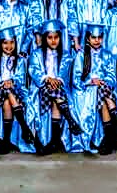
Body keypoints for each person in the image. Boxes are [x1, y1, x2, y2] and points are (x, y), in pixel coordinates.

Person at [70, 23, 117, 155]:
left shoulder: (107, 54)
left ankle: (109, 137)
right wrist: (91, 81)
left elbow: (112, 75)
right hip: (85, 90)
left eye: (100, 37)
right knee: (102, 93)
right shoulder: (81, 55)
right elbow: (76, 79)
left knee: (103, 93)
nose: (97, 40)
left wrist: (104, 82)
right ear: (87, 38)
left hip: (104, 90)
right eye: (93, 37)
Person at [27, 20, 83, 155]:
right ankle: (68, 122)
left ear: (60, 38)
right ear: (45, 38)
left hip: (58, 88)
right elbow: (33, 69)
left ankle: (54, 141)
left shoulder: (65, 54)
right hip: (40, 87)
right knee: (52, 90)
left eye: (56, 37)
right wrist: (46, 78)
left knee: (54, 92)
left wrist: (56, 80)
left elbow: (63, 72)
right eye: (50, 37)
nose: (53, 41)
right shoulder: (36, 53)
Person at [0, 26, 35, 154]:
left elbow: (21, 78)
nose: (9, 46)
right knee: (7, 93)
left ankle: (6, 140)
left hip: (15, 89)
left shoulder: (20, 60)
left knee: (7, 102)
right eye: (5, 43)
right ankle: (24, 128)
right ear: (0, 44)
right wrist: (2, 83)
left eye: (12, 42)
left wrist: (12, 82)